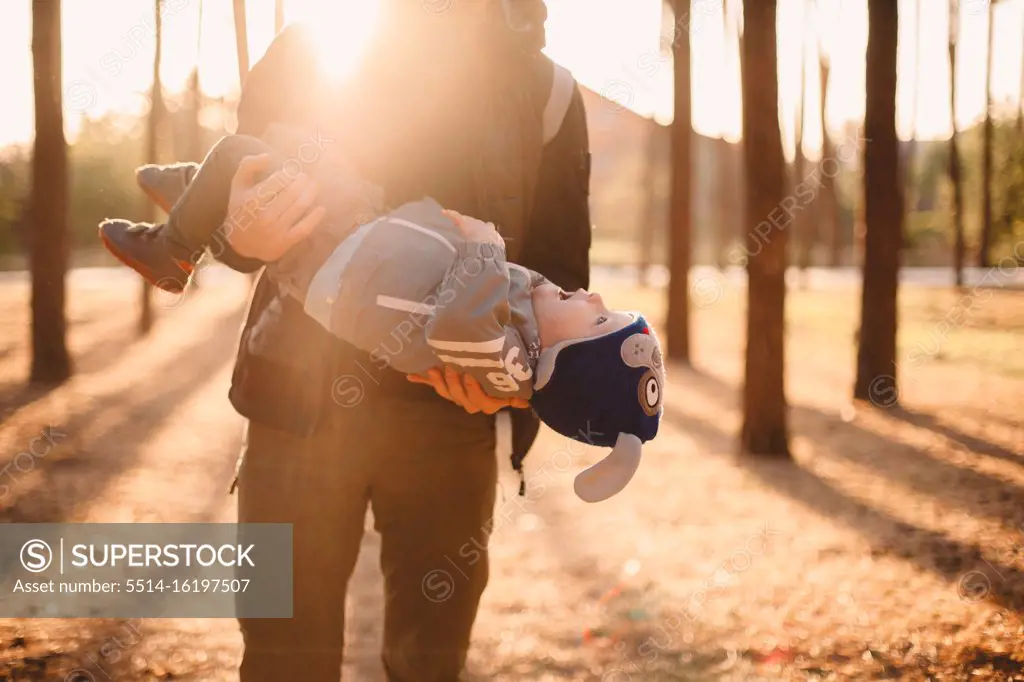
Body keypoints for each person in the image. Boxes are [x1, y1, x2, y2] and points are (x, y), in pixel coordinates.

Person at [161, 2, 594, 679]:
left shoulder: (548, 93)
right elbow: (240, 225)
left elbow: (561, 278)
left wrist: (508, 386)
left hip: (451, 428)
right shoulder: (311, 51)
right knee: (282, 662)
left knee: (430, 664)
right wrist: (240, 234)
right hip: (294, 412)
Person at [99, 122, 665, 501]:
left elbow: (457, 323)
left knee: (261, 156)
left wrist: (486, 248)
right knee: (280, 148)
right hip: (365, 235)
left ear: (560, 366)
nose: (592, 297)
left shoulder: (511, 358)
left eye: (597, 320)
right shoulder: (526, 338)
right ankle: (197, 197)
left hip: (346, 269)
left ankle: (174, 246)